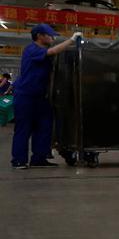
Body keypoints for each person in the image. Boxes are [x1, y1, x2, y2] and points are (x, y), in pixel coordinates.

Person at [11, 23, 79, 169]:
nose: (52, 37)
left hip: (42, 97)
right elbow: (53, 51)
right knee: (24, 129)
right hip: (26, 96)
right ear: (39, 36)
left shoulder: (45, 50)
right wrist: (72, 40)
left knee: (44, 127)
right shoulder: (32, 49)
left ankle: (39, 158)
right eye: (49, 35)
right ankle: (18, 160)